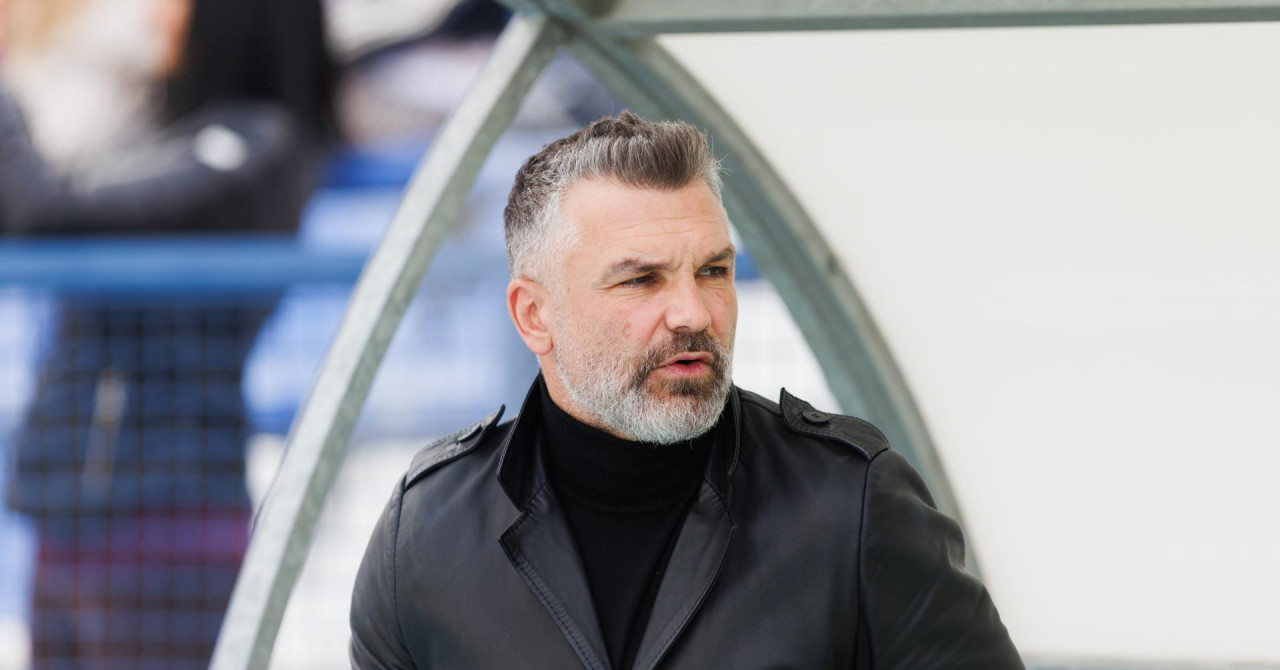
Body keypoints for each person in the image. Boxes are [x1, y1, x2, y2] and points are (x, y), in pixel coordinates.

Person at [349, 112, 1023, 669]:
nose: (694, 313)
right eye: (641, 280)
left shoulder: (853, 506)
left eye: (713, 271)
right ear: (534, 315)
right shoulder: (426, 535)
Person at [0, 0, 338, 667]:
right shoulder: (156, 131)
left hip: (164, 518)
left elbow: (48, 212)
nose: (158, 17)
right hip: (70, 507)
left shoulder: (259, 144)